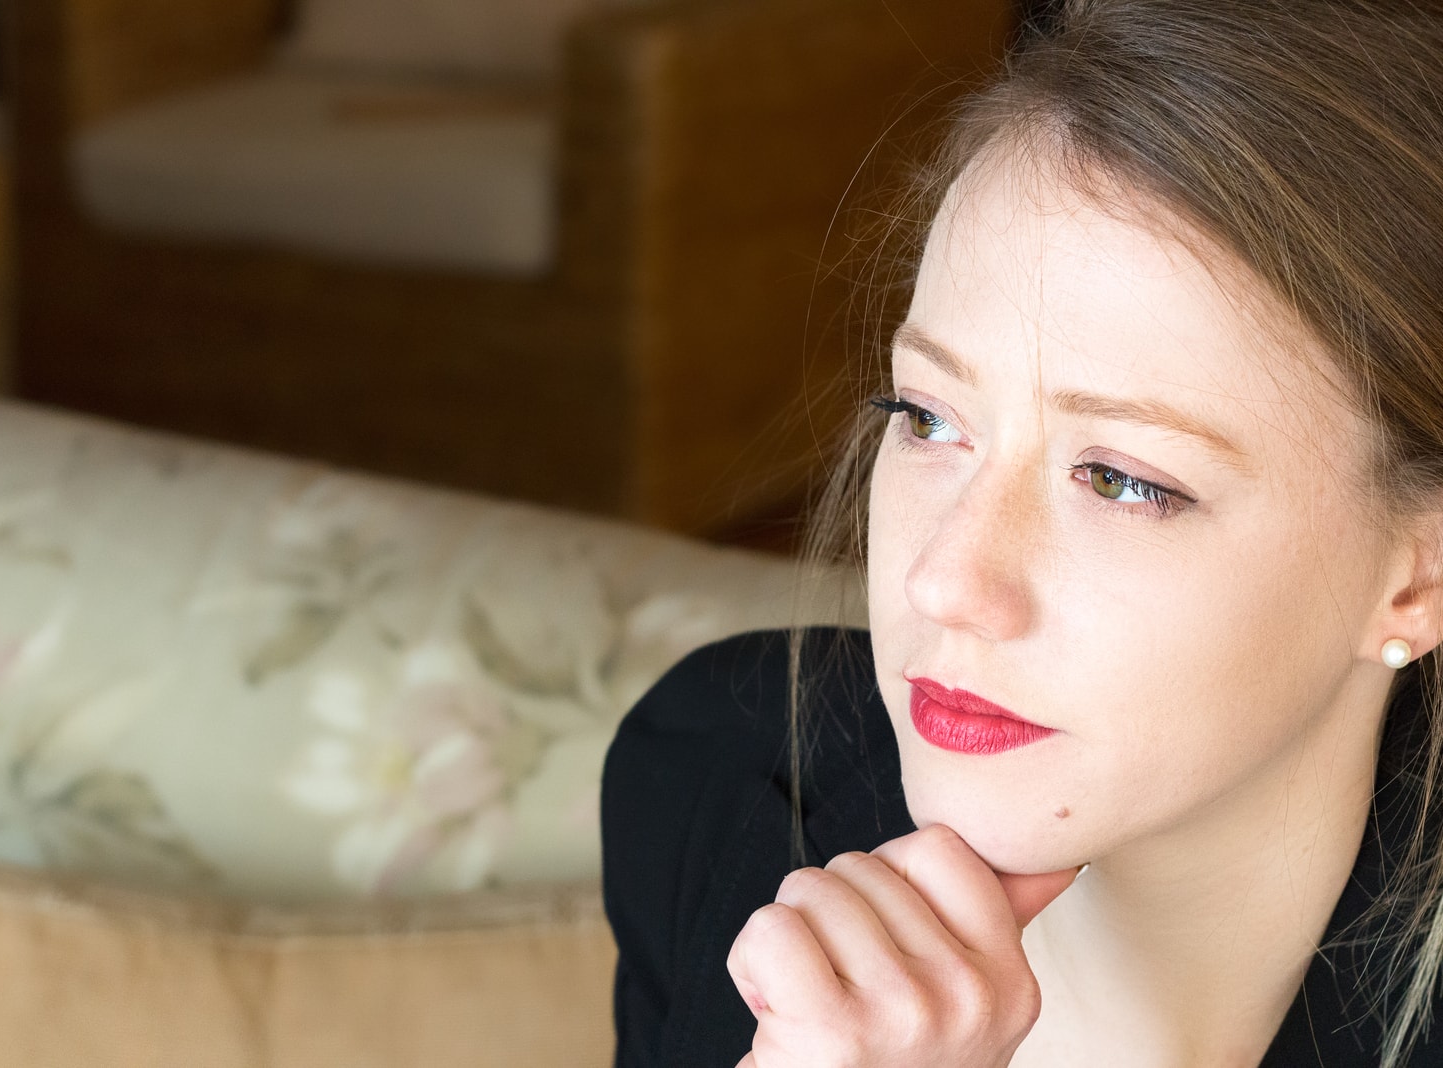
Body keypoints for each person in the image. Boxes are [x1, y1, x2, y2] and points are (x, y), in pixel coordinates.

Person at [600, 0, 1443, 1064]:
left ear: (1416, 578)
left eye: (1123, 481)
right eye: (927, 418)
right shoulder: (722, 780)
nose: (943, 581)